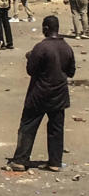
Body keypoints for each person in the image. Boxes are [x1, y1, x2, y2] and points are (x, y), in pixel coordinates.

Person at [6, 16, 76, 172]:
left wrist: (30, 57)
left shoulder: (41, 47)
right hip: (59, 94)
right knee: (56, 129)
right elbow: (71, 72)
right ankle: (55, 162)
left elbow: (31, 70)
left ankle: (20, 160)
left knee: (28, 126)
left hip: (39, 94)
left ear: (45, 28)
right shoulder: (67, 48)